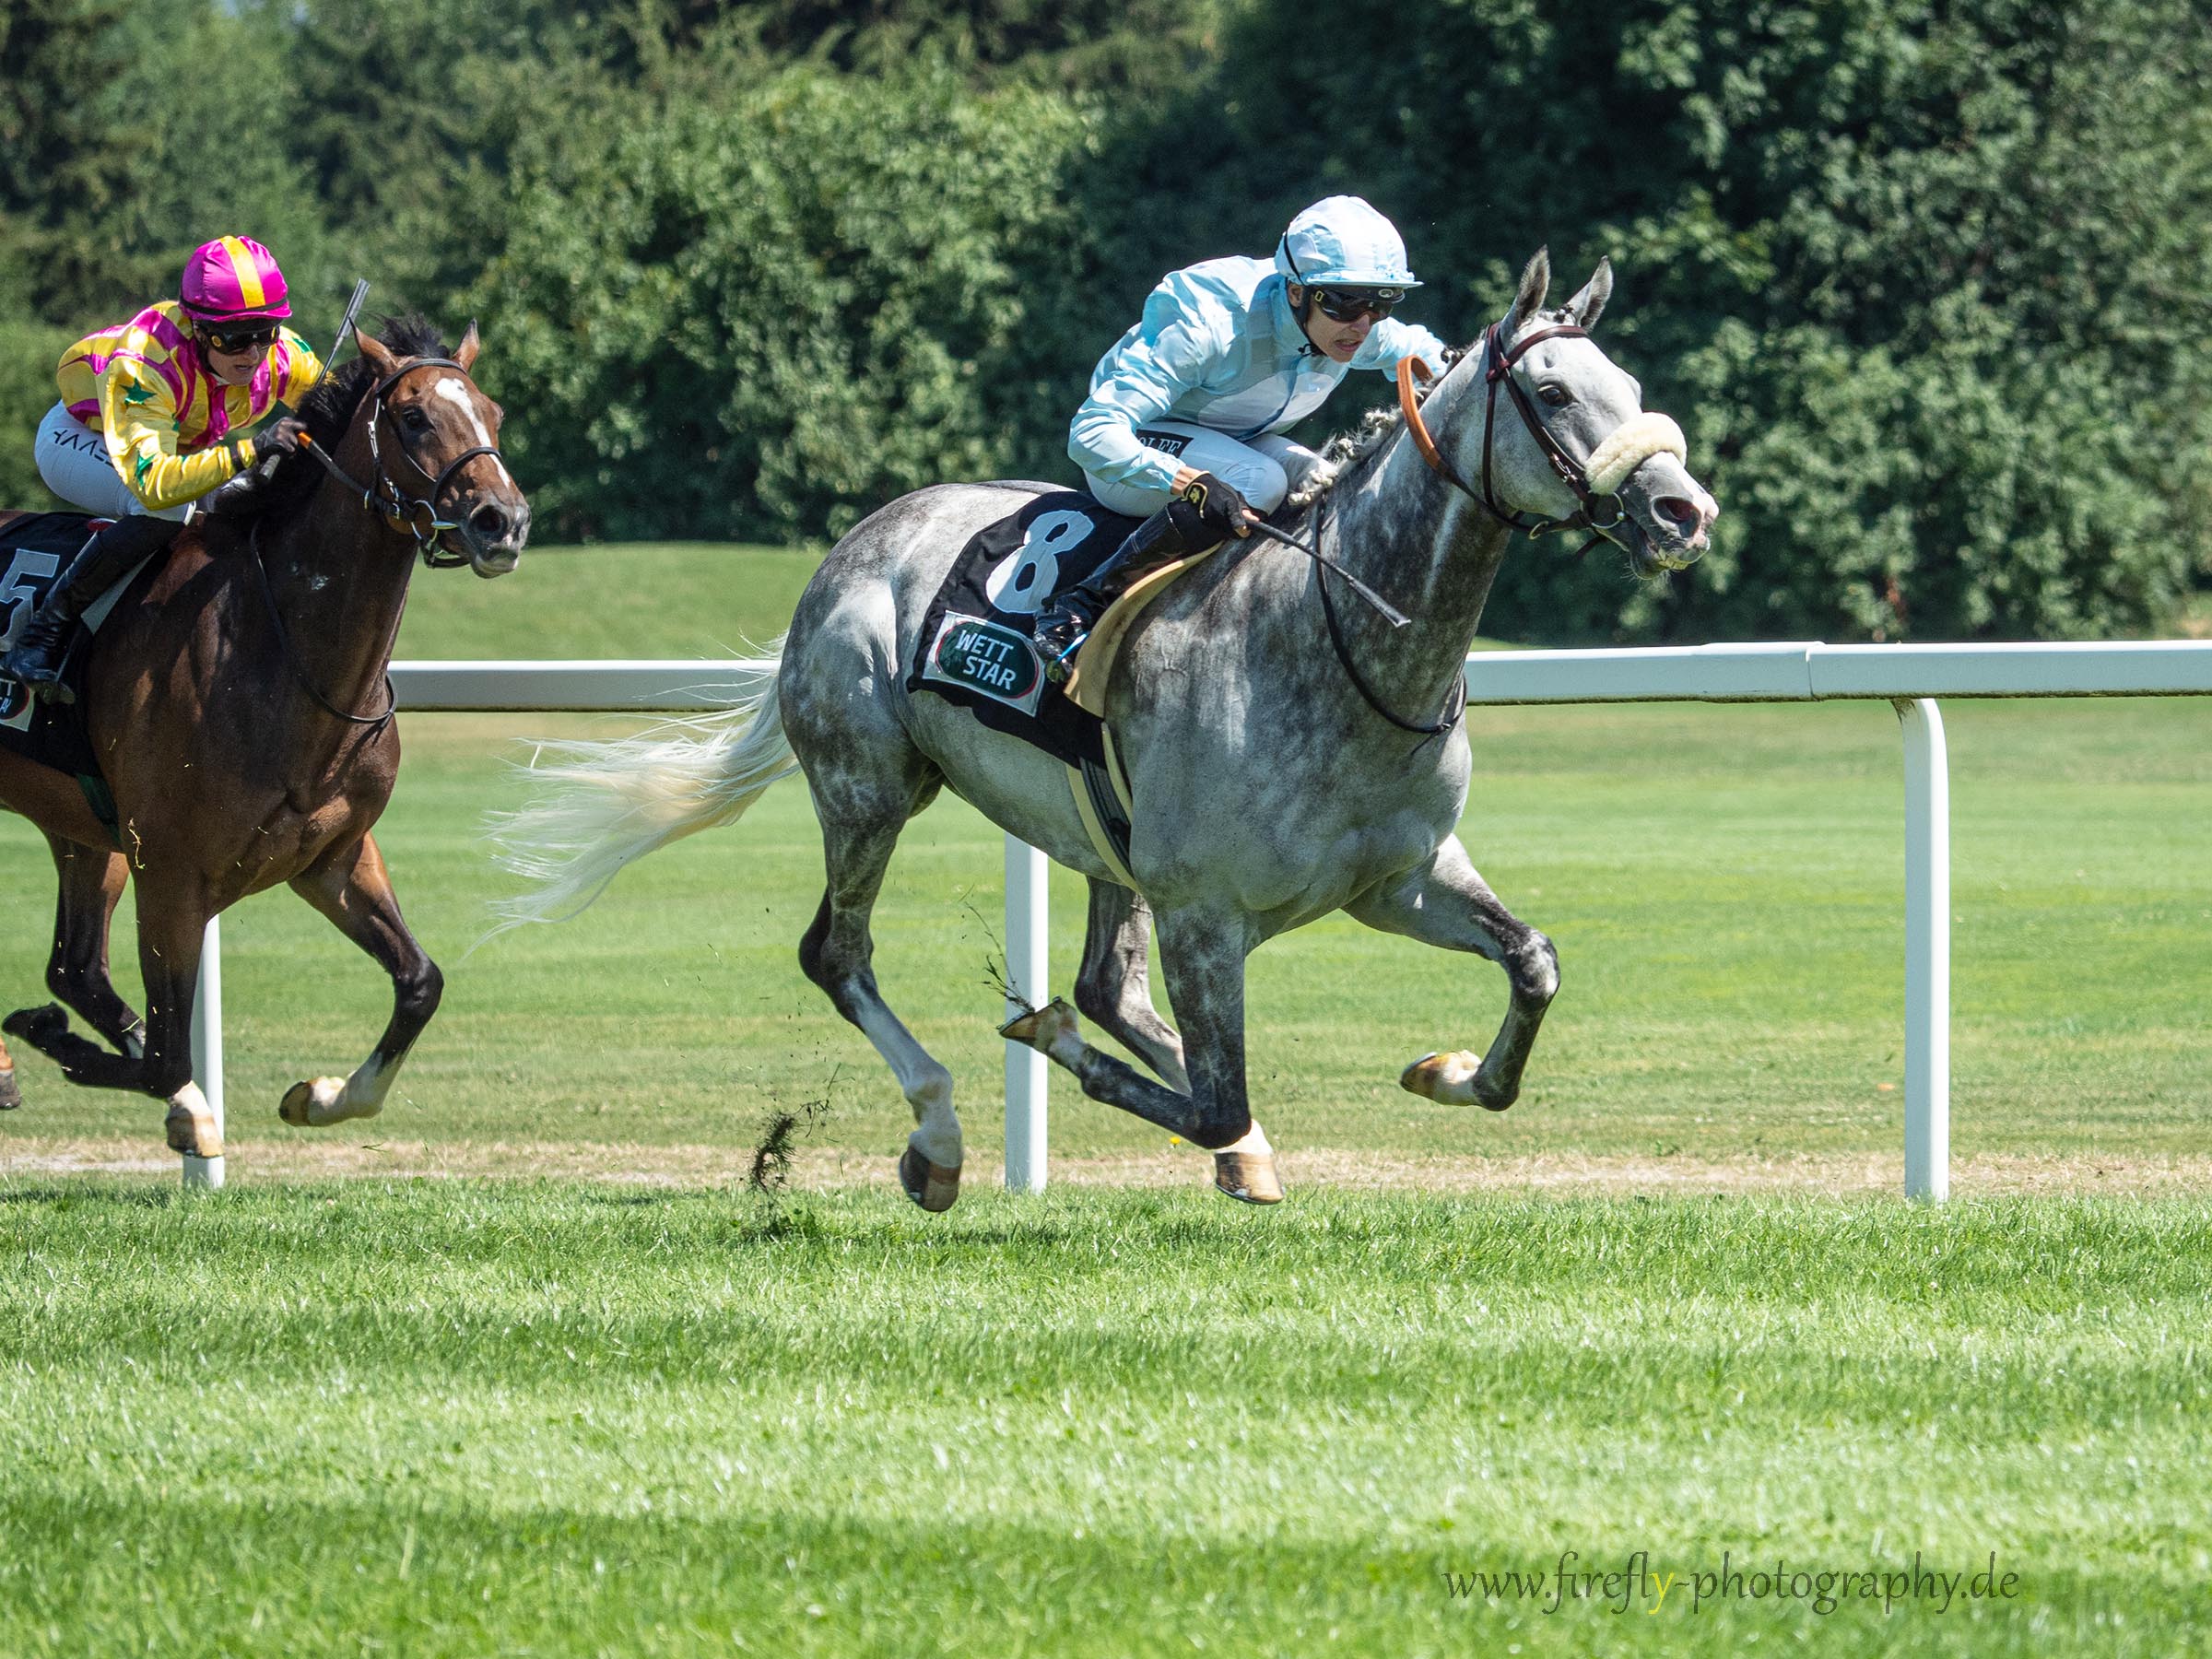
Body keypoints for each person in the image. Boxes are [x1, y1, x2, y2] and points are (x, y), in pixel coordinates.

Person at [1034, 195, 1450, 681]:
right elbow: (1091, 433)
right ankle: (1084, 603)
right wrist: (1186, 481)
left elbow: (1429, 355)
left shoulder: (1356, 327)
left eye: (1381, 301)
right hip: (1141, 442)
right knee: (1261, 480)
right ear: (1296, 292)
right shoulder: (1208, 324)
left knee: (1330, 481)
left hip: (1238, 442)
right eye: (1347, 301)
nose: (1363, 323)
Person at [3, 235, 322, 703]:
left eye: (265, 331)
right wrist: (247, 452)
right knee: (171, 509)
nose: (253, 353)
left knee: (242, 497)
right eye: (235, 337)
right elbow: (156, 485)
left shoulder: (281, 355)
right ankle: (45, 631)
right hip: (78, 440)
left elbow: (343, 408)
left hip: (174, 449)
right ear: (199, 329)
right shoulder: (144, 364)